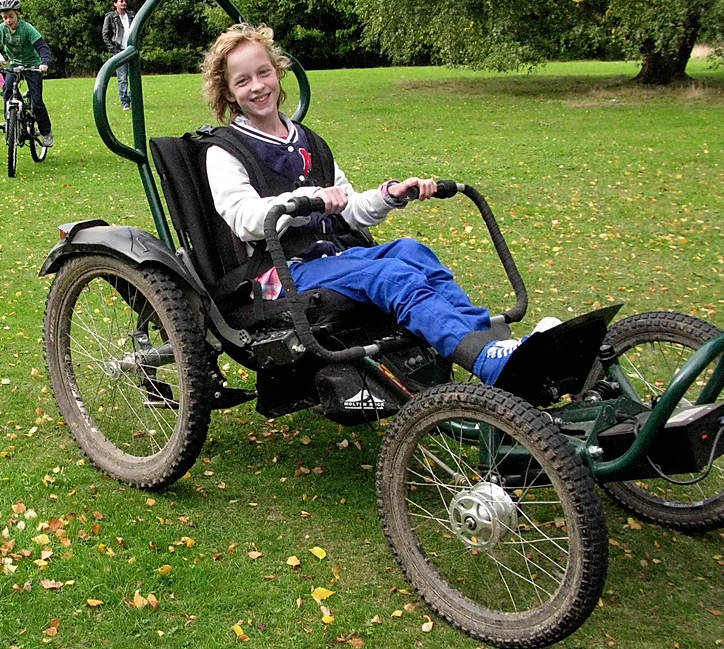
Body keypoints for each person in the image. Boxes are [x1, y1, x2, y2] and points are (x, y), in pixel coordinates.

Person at [201, 24, 559, 385]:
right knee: (388, 276)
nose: (258, 86)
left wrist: (390, 195)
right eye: (243, 80)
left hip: (332, 259)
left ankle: (492, 345)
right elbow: (244, 219)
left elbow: (351, 210)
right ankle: (486, 362)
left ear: (278, 72)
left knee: (413, 252)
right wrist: (304, 202)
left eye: (264, 72)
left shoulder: (309, 141)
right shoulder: (225, 151)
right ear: (228, 92)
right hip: (280, 274)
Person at [0, 0, 53, 147]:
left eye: (11, 16)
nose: (8, 20)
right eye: (5, 17)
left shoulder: (27, 29)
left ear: (17, 15)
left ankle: (46, 132)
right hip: (15, 64)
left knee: (36, 102)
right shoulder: (2, 30)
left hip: (33, 66)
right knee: (7, 91)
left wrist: (44, 63)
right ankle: (10, 120)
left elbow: (42, 47)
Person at [102, 0, 134, 111]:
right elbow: (105, 35)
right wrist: (113, 50)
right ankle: (125, 102)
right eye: (121, 1)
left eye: (125, 1)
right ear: (115, 3)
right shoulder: (110, 17)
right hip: (120, 51)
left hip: (132, 50)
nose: (123, 3)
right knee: (122, 78)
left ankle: (132, 99)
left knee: (134, 78)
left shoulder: (132, 16)